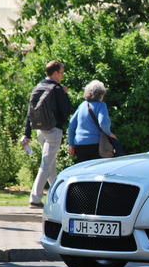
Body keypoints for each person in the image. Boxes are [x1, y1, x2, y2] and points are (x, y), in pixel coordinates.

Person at [23, 60, 72, 209]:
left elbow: (30, 112)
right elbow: (67, 110)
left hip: (40, 130)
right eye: (62, 73)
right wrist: (64, 94)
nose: (62, 76)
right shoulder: (57, 89)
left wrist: (27, 132)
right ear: (55, 73)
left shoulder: (38, 87)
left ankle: (57, 196)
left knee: (51, 165)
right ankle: (35, 198)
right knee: (46, 165)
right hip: (53, 130)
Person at [67, 80, 116, 163]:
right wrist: (109, 133)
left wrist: (71, 144)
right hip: (95, 144)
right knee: (96, 172)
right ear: (101, 94)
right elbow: (103, 122)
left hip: (79, 144)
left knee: (84, 171)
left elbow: (71, 124)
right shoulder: (101, 105)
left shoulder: (82, 105)